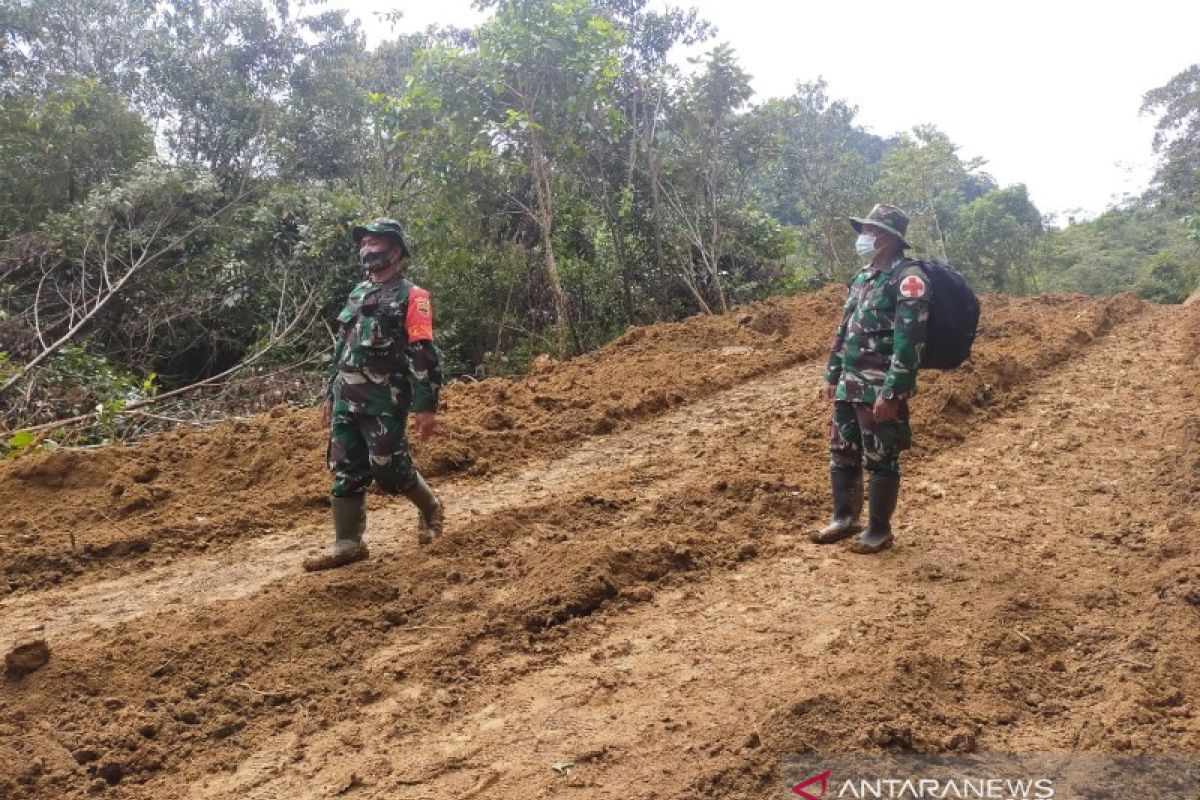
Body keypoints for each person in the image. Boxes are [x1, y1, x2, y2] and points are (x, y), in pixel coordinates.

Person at [303, 217, 445, 571]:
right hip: (346, 396)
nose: (367, 249)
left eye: (375, 242)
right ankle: (348, 543)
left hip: (384, 400)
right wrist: (329, 393)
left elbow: (423, 352)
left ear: (395, 250)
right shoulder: (358, 293)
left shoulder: (413, 297)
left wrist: (426, 406)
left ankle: (431, 508)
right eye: (363, 243)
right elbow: (342, 347)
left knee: (390, 470)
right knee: (345, 468)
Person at [811, 204, 930, 554]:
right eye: (864, 230)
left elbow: (910, 343)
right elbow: (844, 329)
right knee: (842, 451)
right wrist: (832, 373)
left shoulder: (908, 280)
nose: (864, 237)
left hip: (880, 386)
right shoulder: (863, 277)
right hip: (849, 382)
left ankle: (879, 530)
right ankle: (844, 518)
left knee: (881, 455)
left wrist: (893, 392)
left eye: (871, 231)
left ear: (890, 238)